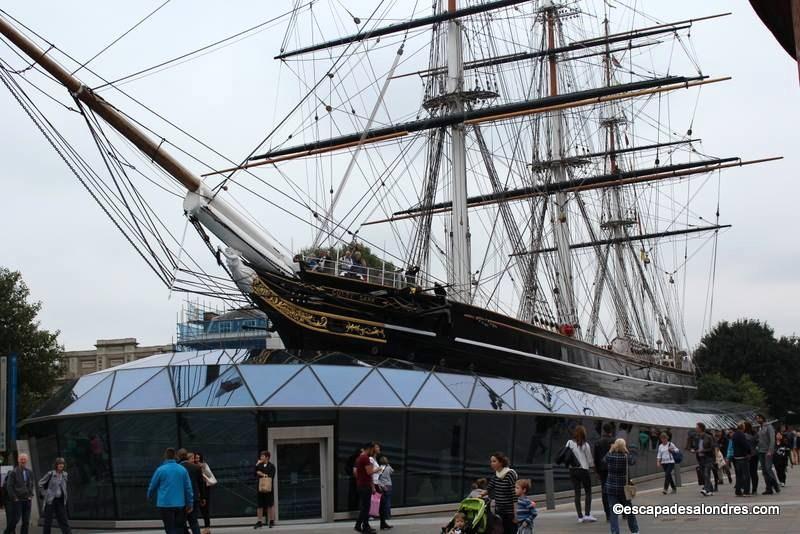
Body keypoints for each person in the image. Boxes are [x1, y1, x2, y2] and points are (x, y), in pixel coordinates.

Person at [147, 447, 193, 534]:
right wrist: (190, 503)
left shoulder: (160, 470)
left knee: (169, 528)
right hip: (180, 504)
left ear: (165, 456)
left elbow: (152, 486)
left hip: (165, 504)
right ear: (175, 456)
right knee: (179, 528)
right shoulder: (182, 469)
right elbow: (188, 488)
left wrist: (149, 495)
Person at [603, 439, 638, 534]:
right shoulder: (626, 457)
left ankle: (615, 532)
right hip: (623, 490)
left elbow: (604, 460)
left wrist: (610, 449)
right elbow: (633, 461)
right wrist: (627, 450)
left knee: (613, 513)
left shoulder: (610, 456)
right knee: (629, 510)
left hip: (611, 489)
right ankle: (635, 531)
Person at [565, 425, 596, 522]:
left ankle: (580, 516)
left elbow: (565, 454)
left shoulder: (569, 443)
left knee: (577, 493)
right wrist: (593, 467)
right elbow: (590, 459)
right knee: (588, 492)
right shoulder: (585, 445)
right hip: (583, 469)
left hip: (572, 470)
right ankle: (587, 514)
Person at [486, 451, 518, 534]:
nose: (491, 464)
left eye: (494, 461)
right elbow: (489, 488)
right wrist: (478, 494)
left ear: (501, 462)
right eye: (491, 461)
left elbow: (514, 495)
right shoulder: (497, 474)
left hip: (509, 512)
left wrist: (516, 514)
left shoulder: (510, 474)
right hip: (499, 511)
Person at [38, 457, 71, 534]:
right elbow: (40, 483)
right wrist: (45, 494)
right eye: (59, 464)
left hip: (60, 500)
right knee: (48, 521)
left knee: (63, 519)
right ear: (56, 465)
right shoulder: (51, 474)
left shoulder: (65, 474)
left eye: (62, 464)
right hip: (50, 500)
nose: (61, 465)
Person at [5, 453, 34, 534]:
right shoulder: (13, 472)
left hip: (27, 500)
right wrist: (14, 498)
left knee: (26, 521)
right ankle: (6, 532)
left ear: (27, 460)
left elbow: (31, 484)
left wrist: (31, 495)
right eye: (21, 459)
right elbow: (9, 486)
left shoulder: (29, 472)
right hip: (18, 500)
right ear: (18, 460)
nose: (23, 461)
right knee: (16, 520)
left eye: (24, 459)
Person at [178, 449, 205, 534]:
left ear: (178, 456)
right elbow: (201, 484)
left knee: (181, 522)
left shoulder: (177, 468)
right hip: (194, 497)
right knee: (193, 521)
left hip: (181, 499)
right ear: (186, 456)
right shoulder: (196, 467)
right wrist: (203, 497)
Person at [354, 442, 378, 534]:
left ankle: (361, 525)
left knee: (365, 507)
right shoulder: (365, 458)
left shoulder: (360, 458)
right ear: (370, 448)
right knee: (366, 508)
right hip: (364, 486)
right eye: (373, 450)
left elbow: (357, 472)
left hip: (361, 485)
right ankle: (365, 527)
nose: (373, 452)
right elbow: (370, 472)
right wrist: (375, 467)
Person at [593, 422, 615, 522]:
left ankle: (608, 514)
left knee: (604, 492)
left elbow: (596, 458)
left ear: (604, 430)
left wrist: (597, 471)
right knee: (616, 490)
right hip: (613, 468)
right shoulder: (614, 441)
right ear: (611, 431)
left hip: (602, 470)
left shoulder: (598, 442)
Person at [755, 414, 781, 495]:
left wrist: (770, 450)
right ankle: (768, 488)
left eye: (759, 418)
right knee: (764, 471)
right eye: (757, 419)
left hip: (767, 451)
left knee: (768, 468)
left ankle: (776, 485)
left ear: (763, 418)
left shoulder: (769, 426)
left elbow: (772, 439)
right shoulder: (759, 428)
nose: (758, 420)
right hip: (761, 451)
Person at [690, 422, 715, 496]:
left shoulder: (708, 437)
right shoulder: (697, 437)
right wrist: (693, 450)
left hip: (708, 458)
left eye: (697, 427)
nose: (695, 428)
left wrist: (703, 450)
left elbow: (712, 448)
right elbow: (695, 447)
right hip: (700, 458)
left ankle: (706, 490)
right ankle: (710, 489)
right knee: (704, 474)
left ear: (701, 428)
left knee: (706, 474)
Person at [194, 452, 216, 534]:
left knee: (205, 509)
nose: (197, 459)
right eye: (196, 457)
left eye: (198, 458)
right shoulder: (193, 466)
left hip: (205, 489)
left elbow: (209, 475)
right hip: (197, 489)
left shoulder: (204, 465)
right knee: (197, 509)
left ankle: (207, 527)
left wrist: (203, 468)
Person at [255, 451, 276, 529]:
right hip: (260, 488)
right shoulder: (259, 465)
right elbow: (255, 473)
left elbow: (271, 476)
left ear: (267, 457)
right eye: (261, 456)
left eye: (262, 456)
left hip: (268, 488)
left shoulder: (272, 466)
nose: (261, 457)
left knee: (269, 505)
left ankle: (271, 521)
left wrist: (262, 474)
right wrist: (257, 465)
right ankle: (259, 521)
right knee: (259, 505)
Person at [730, 421, 752, 496]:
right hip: (743, 456)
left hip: (736, 457)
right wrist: (749, 452)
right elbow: (745, 445)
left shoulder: (734, 434)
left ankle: (738, 491)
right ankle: (746, 491)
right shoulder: (741, 435)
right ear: (743, 427)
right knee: (746, 475)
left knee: (739, 475)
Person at [377, 456, 394, 530]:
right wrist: (389, 465)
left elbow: (378, 477)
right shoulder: (388, 468)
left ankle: (384, 516)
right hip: (389, 485)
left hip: (382, 486)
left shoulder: (380, 468)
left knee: (383, 502)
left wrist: (381, 485)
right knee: (388, 501)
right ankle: (388, 515)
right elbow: (392, 471)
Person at [744, 421, 760, 494]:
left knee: (748, 473)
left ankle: (749, 488)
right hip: (754, 455)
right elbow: (758, 442)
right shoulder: (755, 434)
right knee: (753, 472)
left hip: (748, 455)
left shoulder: (744, 435)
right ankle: (754, 489)